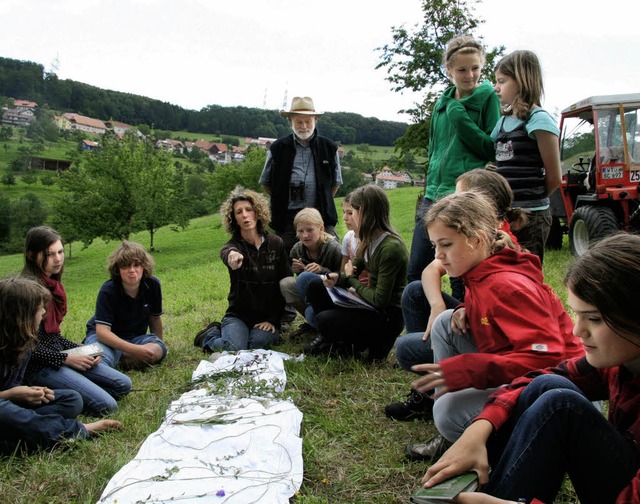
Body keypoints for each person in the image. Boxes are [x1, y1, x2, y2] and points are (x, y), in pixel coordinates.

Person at [421, 233, 640, 504]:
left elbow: (541, 355)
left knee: (562, 403)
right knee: (549, 390)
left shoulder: (508, 285)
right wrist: (481, 426)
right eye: (578, 315)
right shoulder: (619, 364)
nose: (577, 330)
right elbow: (547, 375)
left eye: (593, 319)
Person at [403, 191, 583, 462]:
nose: (439, 256)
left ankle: (505, 446)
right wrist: (465, 308)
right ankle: (457, 434)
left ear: (477, 239)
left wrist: (469, 370)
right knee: (445, 322)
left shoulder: (507, 286)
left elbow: (549, 356)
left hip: (560, 390)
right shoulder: (479, 271)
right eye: (434, 246)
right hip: (521, 370)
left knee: (447, 412)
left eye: (446, 245)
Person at [386, 170, 526, 422]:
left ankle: (443, 391)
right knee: (416, 291)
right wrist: (440, 306)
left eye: (460, 196)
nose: (451, 203)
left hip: (495, 347)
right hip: (472, 318)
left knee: (406, 348)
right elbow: (431, 270)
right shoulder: (476, 239)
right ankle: (435, 390)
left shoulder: (489, 250)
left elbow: (537, 352)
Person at [408, 34, 500, 295]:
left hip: (463, 194)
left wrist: (460, 116)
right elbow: (435, 148)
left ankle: (463, 327)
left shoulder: (487, 99)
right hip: (432, 194)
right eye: (462, 69)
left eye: (475, 68)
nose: (469, 75)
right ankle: (422, 327)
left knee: (462, 273)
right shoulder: (442, 103)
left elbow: (489, 147)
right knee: (416, 269)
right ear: (449, 70)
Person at [0, 276, 122, 454]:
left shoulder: (23, 342)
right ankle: (75, 431)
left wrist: (31, 393)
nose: (43, 312)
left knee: (71, 400)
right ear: (21, 316)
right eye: (38, 308)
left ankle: (19, 435)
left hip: (12, 407)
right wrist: (10, 395)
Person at [20, 227, 132, 416]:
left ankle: (78, 386)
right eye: (49, 254)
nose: (58, 259)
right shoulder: (26, 291)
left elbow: (52, 336)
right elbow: (24, 349)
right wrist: (67, 358)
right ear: (32, 255)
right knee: (108, 406)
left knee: (123, 384)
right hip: (37, 367)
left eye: (60, 252)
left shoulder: (53, 285)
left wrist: (84, 350)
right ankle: (47, 395)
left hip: (57, 355)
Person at [303, 184, 408, 361]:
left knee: (324, 319)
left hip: (386, 316)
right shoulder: (367, 239)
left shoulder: (391, 248)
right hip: (368, 304)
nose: (347, 217)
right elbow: (352, 272)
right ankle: (338, 342)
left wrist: (350, 279)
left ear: (365, 212)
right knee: (315, 284)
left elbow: (380, 300)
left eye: (352, 211)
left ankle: (359, 342)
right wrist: (337, 278)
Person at [197, 187, 292, 352]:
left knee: (256, 345)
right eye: (239, 212)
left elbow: (284, 281)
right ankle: (210, 335)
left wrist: (273, 319)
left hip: (267, 317)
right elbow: (226, 253)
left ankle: (241, 335)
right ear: (234, 218)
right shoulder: (233, 246)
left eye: (249, 209)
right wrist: (232, 257)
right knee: (235, 348)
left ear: (257, 212)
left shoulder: (276, 243)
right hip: (238, 316)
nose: (245, 215)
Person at [492, 50, 561, 263]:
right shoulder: (502, 123)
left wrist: (531, 200)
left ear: (521, 81)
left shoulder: (539, 120)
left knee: (526, 272)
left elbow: (555, 177)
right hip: (504, 215)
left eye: (502, 81)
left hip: (532, 217)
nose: (496, 88)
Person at [259, 96, 343, 253]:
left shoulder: (329, 147)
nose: (304, 126)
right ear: (290, 121)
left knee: (333, 254)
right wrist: (282, 197)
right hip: (287, 219)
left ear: (315, 121)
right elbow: (265, 182)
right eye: (299, 121)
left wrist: (322, 200)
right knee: (283, 261)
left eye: (308, 121)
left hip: (321, 216)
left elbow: (335, 183)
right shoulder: (277, 148)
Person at [85, 241, 167, 370]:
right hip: (106, 339)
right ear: (117, 269)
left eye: (136, 265)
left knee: (156, 350)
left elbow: (155, 318)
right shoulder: (108, 290)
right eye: (125, 266)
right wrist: (134, 350)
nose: (132, 270)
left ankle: (116, 360)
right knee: (99, 358)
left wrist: (160, 346)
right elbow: (102, 332)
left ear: (144, 267)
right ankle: (112, 359)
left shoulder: (152, 285)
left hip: (136, 338)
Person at [280, 207, 342, 338]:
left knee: (305, 278)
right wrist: (297, 270)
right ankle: (315, 322)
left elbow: (345, 277)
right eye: (300, 231)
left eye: (310, 230)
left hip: (335, 298)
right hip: (312, 299)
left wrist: (323, 271)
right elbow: (301, 281)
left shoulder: (333, 248)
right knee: (287, 284)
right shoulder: (297, 249)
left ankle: (326, 323)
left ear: (321, 228)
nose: (305, 235)